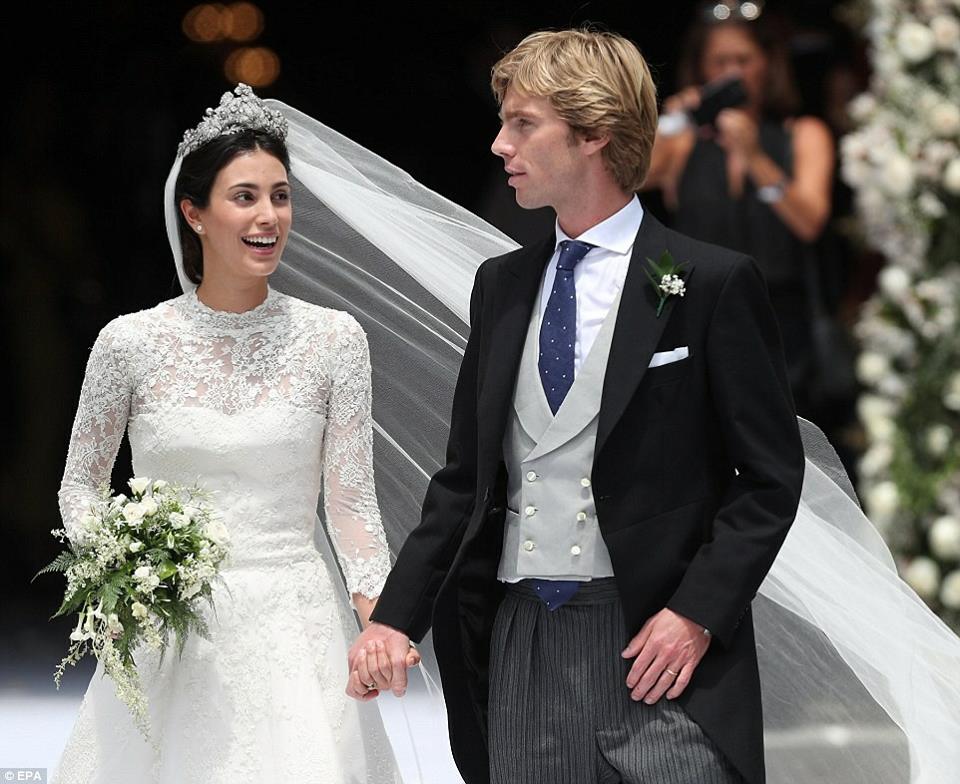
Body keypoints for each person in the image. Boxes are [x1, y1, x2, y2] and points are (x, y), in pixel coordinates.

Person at [349, 28, 806, 784]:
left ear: (594, 132)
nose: (500, 144)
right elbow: (465, 481)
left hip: (659, 650)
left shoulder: (709, 282)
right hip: (522, 643)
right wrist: (396, 618)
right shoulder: (501, 285)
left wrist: (697, 613)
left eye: (523, 124)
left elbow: (769, 477)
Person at [53, 84, 416, 783]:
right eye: (244, 197)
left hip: (296, 625)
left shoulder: (334, 340)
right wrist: (123, 576)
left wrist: (381, 619)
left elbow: (351, 506)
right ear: (194, 213)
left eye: (280, 196)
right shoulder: (128, 343)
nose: (268, 216)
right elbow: (80, 487)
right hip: (169, 629)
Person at [642, 2, 837, 417]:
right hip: (700, 320)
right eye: (720, 62)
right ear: (702, 69)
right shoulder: (684, 142)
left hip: (780, 327)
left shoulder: (802, 134)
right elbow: (626, 178)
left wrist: (754, 157)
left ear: (767, 64)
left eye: (743, 60)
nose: (732, 73)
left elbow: (809, 222)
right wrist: (674, 122)